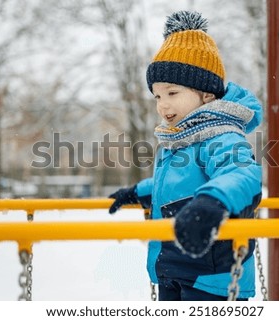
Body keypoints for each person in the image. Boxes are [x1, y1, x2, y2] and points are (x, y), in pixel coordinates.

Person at [108, 11, 262, 301]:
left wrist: (212, 202)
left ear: (206, 95)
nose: (162, 105)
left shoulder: (221, 134)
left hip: (211, 276)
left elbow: (243, 174)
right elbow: (178, 186)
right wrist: (139, 192)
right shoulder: (179, 139)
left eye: (172, 92)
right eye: (157, 96)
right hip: (174, 265)